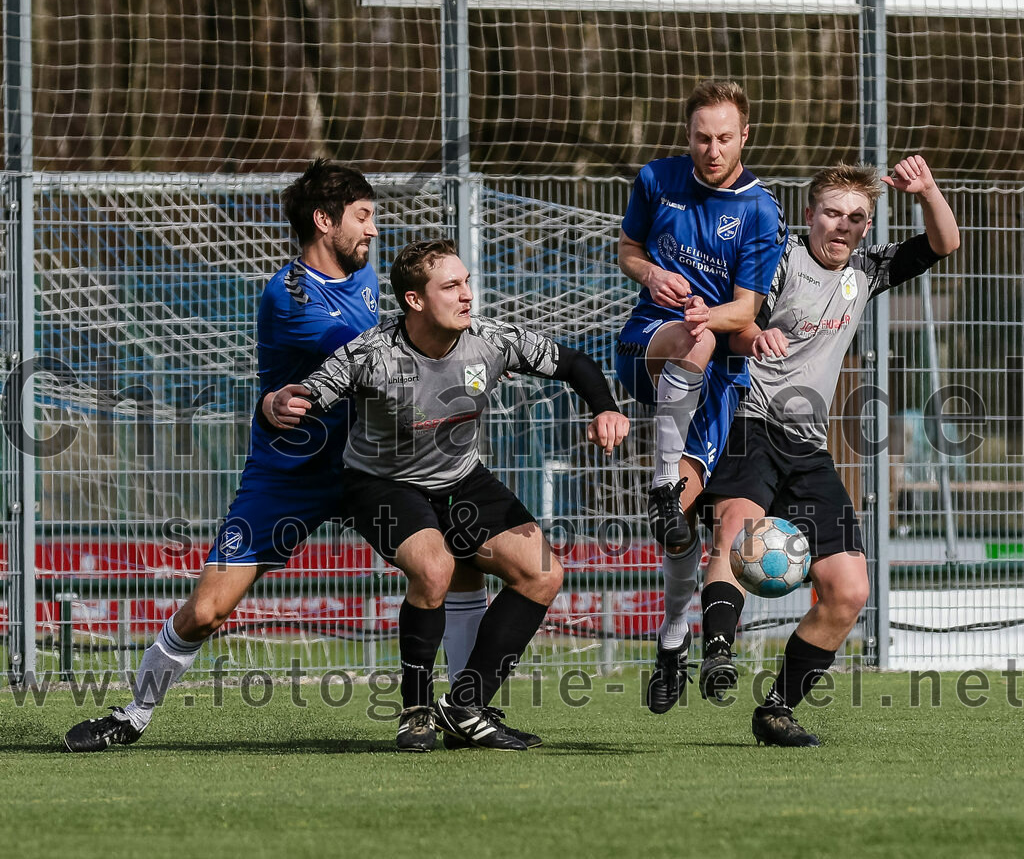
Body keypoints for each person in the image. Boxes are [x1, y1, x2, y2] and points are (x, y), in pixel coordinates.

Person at [62, 160, 481, 750]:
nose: (373, 231)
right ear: (323, 221)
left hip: (371, 472)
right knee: (207, 611)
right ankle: (132, 715)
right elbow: (370, 361)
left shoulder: (364, 278)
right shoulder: (292, 297)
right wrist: (272, 401)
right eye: (363, 217)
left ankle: (462, 711)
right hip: (291, 477)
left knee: (450, 563)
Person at [266, 237, 630, 751]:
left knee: (542, 573)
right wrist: (281, 401)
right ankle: (415, 710)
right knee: (434, 569)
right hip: (382, 483)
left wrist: (605, 408)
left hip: (460, 478)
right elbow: (309, 393)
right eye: (451, 286)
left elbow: (573, 363)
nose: (467, 296)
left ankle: (465, 706)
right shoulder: (373, 353)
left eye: (466, 283)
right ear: (416, 300)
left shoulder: (490, 339)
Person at [699, 155, 959, 745]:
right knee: (739, 529)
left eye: (855, 218)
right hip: (751, 418)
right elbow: (735, 322)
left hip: (808, 444)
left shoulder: (866, 269)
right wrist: (752, 333)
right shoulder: (779, 258)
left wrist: (925, 190)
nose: (842, 226)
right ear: (809, 215)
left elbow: (945, 243)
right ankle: (717, 648)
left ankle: (775, 711)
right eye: (832, 214)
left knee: (849, 590)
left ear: (866, 226)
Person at [614, 80, 789, 714]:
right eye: (700, 137)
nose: (711, 149)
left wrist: (732, 323)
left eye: (723, 138)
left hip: (713, 375)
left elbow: (745, 308)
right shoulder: (657, 180)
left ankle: (671, 648)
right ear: (686, 136)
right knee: (697, 340)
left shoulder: (761, 210)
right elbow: (629, 249)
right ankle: (663, 481)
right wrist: (651, 273)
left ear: (745, 136)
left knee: (681, 534)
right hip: (651, 341)